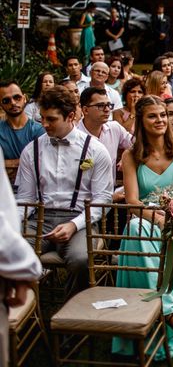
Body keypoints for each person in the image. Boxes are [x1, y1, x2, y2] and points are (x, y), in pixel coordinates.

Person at [114, 95, 173, 359]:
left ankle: (161, 310)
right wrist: (156, 217)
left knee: (136, 232)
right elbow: (132, 201)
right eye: (153, 116)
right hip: (146, 221)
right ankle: (167, 309)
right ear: (141, 120)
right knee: (138, 228)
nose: (161, 120)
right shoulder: (131, 156)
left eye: (163, 115)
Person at [16, 86, 113, 299]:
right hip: (39, 219)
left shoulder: (95, 150)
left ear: (70, 116)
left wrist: (74, 225)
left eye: (51, 119)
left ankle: (73, 318)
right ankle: (26, 313)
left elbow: (102, 200)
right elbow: (25, 199)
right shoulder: (31, 150)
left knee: (80, 259)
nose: (44, 124)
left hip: (81, 220)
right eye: (42, 118)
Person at [0, 148, 42, 367]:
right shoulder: (32, 150)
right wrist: (22, 269)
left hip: (75, 219)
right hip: (33, 222)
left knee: (79, 258)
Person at [77, 87, 134, 181]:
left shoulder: (114, 128)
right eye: (100, 105)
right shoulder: (75, 136)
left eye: (109, 105)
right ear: (85, 110)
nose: (107, 109)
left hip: (110, 193)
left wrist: (127, 158)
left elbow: (136, 144)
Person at [0, 81, 46, 171]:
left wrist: (5, 163)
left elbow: (40, 162)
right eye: (6, 100)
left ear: (24, 98)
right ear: (1, 104)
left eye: (17, 97)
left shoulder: (39, 130)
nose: (13, 103)